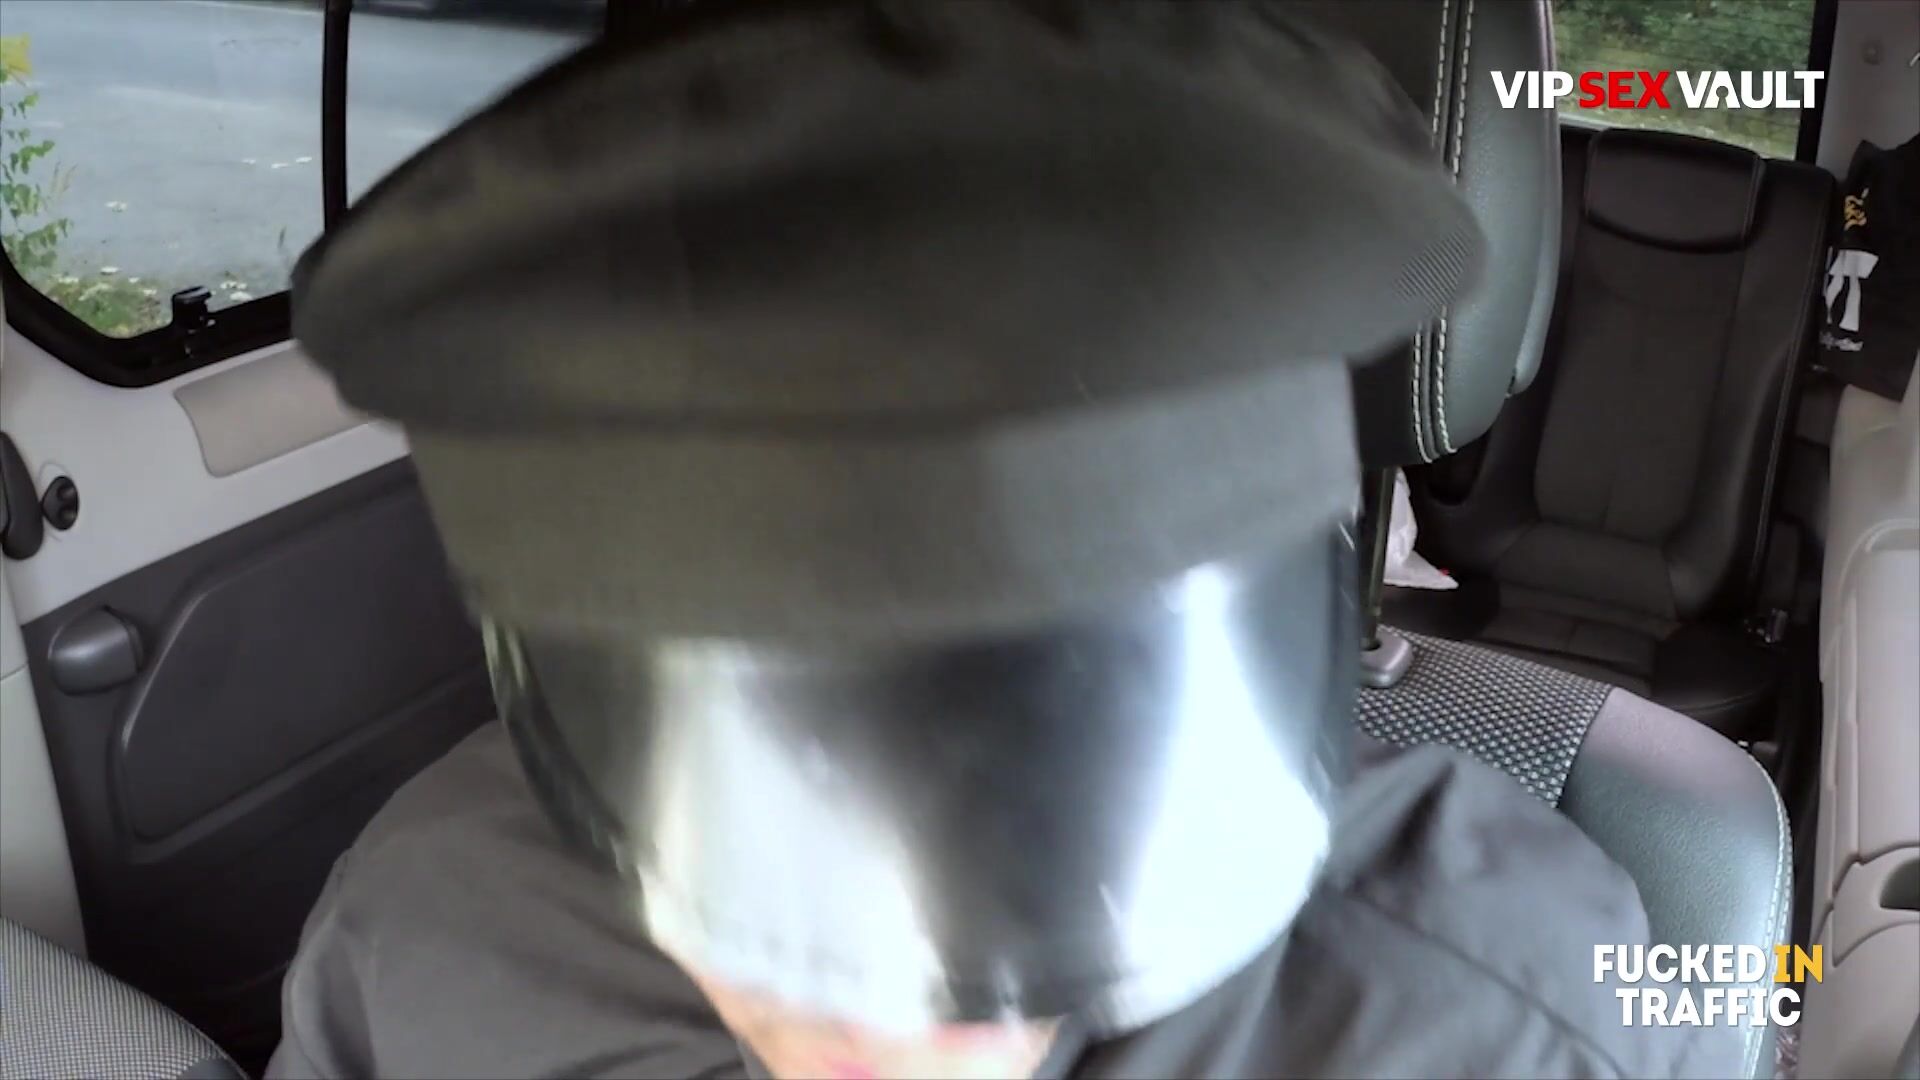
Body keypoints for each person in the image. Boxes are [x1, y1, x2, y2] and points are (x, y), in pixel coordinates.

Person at [268, 3, 1717, 1077]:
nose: (897, 1013)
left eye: (1030, 794)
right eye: (789, 799)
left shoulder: (1509, 1022)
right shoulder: (420, 950)